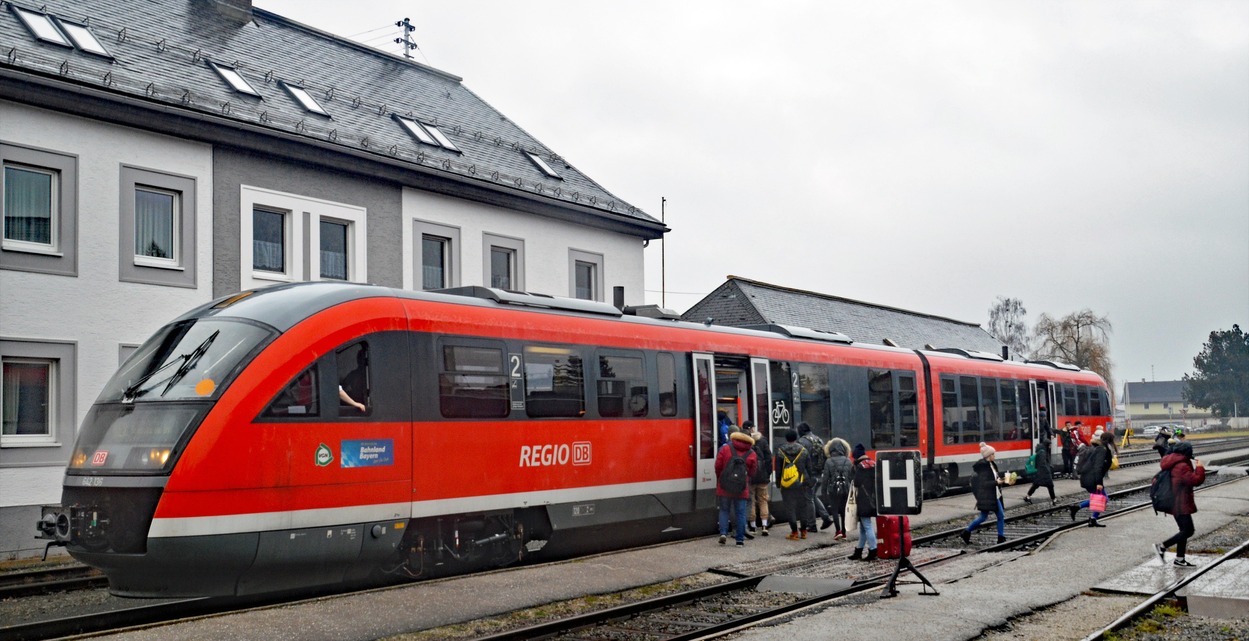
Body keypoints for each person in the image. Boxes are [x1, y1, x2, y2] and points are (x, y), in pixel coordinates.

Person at [1153, 441, 1206, 567]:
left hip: (1176, 501)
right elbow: (1195, 480)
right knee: (1188, 531)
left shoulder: (1173, 461)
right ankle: (1162, 547)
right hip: (1180, 503)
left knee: (1184, 530)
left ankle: (1180, 559)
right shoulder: (1181, 465)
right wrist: (1200, 468)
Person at [714, 428, 757, 546]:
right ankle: (739, 540)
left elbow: (718, 465)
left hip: (725, 486)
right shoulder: (752, 453)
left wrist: (721, 478)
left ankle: (723, 533)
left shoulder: (726, 448)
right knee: (741, 513)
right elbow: (753, 472)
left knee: (724, 510)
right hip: (741, 488)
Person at [961, 443, 1010, 544]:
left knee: (992, 516)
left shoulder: (992, 465)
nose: (994, 456)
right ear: (988, 456)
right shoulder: (984, 468)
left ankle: (967, 532)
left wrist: (1003, 480)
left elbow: (995, 478)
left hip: (994, 495)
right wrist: (996, 482)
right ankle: (1000, 537)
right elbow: (984, 483)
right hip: (988, 496)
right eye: (993, 454)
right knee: (993, 516)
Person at [1070, 431, 1114, 527]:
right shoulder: (1101, 450)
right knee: (1103, 499)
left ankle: (1092, 519)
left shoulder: (1100, 448)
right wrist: (1099, 483)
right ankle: (1079, 508)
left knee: (1101, 498)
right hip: (1091, 479)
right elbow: (1098, 467)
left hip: (1090, 478)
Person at [796, 423, 833, 532]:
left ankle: (811, 525)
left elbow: (801, 461)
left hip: (809, 475)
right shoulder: (819, 439)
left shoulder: (802, 442)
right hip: (819, 473)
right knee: (812, 496)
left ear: (801, 431)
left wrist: (803, 476)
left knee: (809, 499)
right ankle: (826, 518)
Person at [847, 443, 878, 560]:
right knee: (863, 528)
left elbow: (856, 483)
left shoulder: (861, 466)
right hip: (873, 499)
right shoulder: (873, 463)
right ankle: (858, 551)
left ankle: (873, 550)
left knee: (867, 526)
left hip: (864, 500)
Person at [774, 429, 808, 540]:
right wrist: (808, 482)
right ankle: (804, 531)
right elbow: (809, 468)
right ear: (796, 437)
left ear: (786, 438)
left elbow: (778, 470)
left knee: (790, 508)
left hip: (787, 484)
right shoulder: (803, 450)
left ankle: (794, 532)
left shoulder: (780, 451)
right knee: (803, 507)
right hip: (801, 482)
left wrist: (778, 484)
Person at [820, 437, 854, 539]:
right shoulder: (848, 461)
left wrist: (824, 493)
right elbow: (852, 477)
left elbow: (825, 479)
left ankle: (838, 531)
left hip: (833, 490)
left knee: (834, 511)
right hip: (846, 489)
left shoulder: (828, 461)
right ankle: (844, 532)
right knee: (844, 511)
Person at [745, 421, 772, 536]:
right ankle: (764, 525)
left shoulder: (746, 442)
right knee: (763, 500)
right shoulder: (763, 440)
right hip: (762, 476)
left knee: (751, 500)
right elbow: (769, 458)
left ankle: (753, 527)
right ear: (752, 428)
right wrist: (767, 473)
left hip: (751, 477)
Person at [1023, 431, 1057, 506]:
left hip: (1040, 472)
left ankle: (1027, 496)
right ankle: (1054, 499)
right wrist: (1048, 469)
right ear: (1047, 445)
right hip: (1044, 473)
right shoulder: (1043, 452)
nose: (1050, 447)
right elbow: (1042, 463)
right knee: (1050, 485)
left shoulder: (1041, 450)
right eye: (1050, 445)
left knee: (1036, 485)